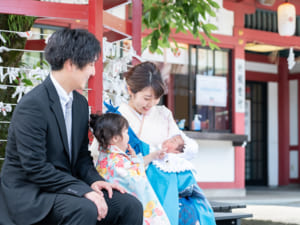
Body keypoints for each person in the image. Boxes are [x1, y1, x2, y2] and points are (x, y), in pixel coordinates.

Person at [0, 28, 143, 225]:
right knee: (84, 208)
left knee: (129, 205)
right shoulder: (32, 105)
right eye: (91, 64)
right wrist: (83, 190)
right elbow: (35, 167)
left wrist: (94, 181)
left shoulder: (79, 104)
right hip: (32, 195)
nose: (93, 71)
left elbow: (81, 158)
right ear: (71, 64)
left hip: (64, 188)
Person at [103, 61, 216, 225]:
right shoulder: (116, 116)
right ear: (130, 90)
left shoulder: (163, 114)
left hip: (166, 179)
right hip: (130, 178)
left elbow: (184, 144)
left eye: (156, 98)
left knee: (194, 206)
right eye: (147, 98)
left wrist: (171, 152)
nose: (151, 104)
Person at [90, 113, 170, 225]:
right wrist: (135, 162)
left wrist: (134, 160)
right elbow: (138, 183)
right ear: (116, 138)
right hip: (127, 209)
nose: (128, 136)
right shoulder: (118, 161)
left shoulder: (105, 155)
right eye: (126, 132)